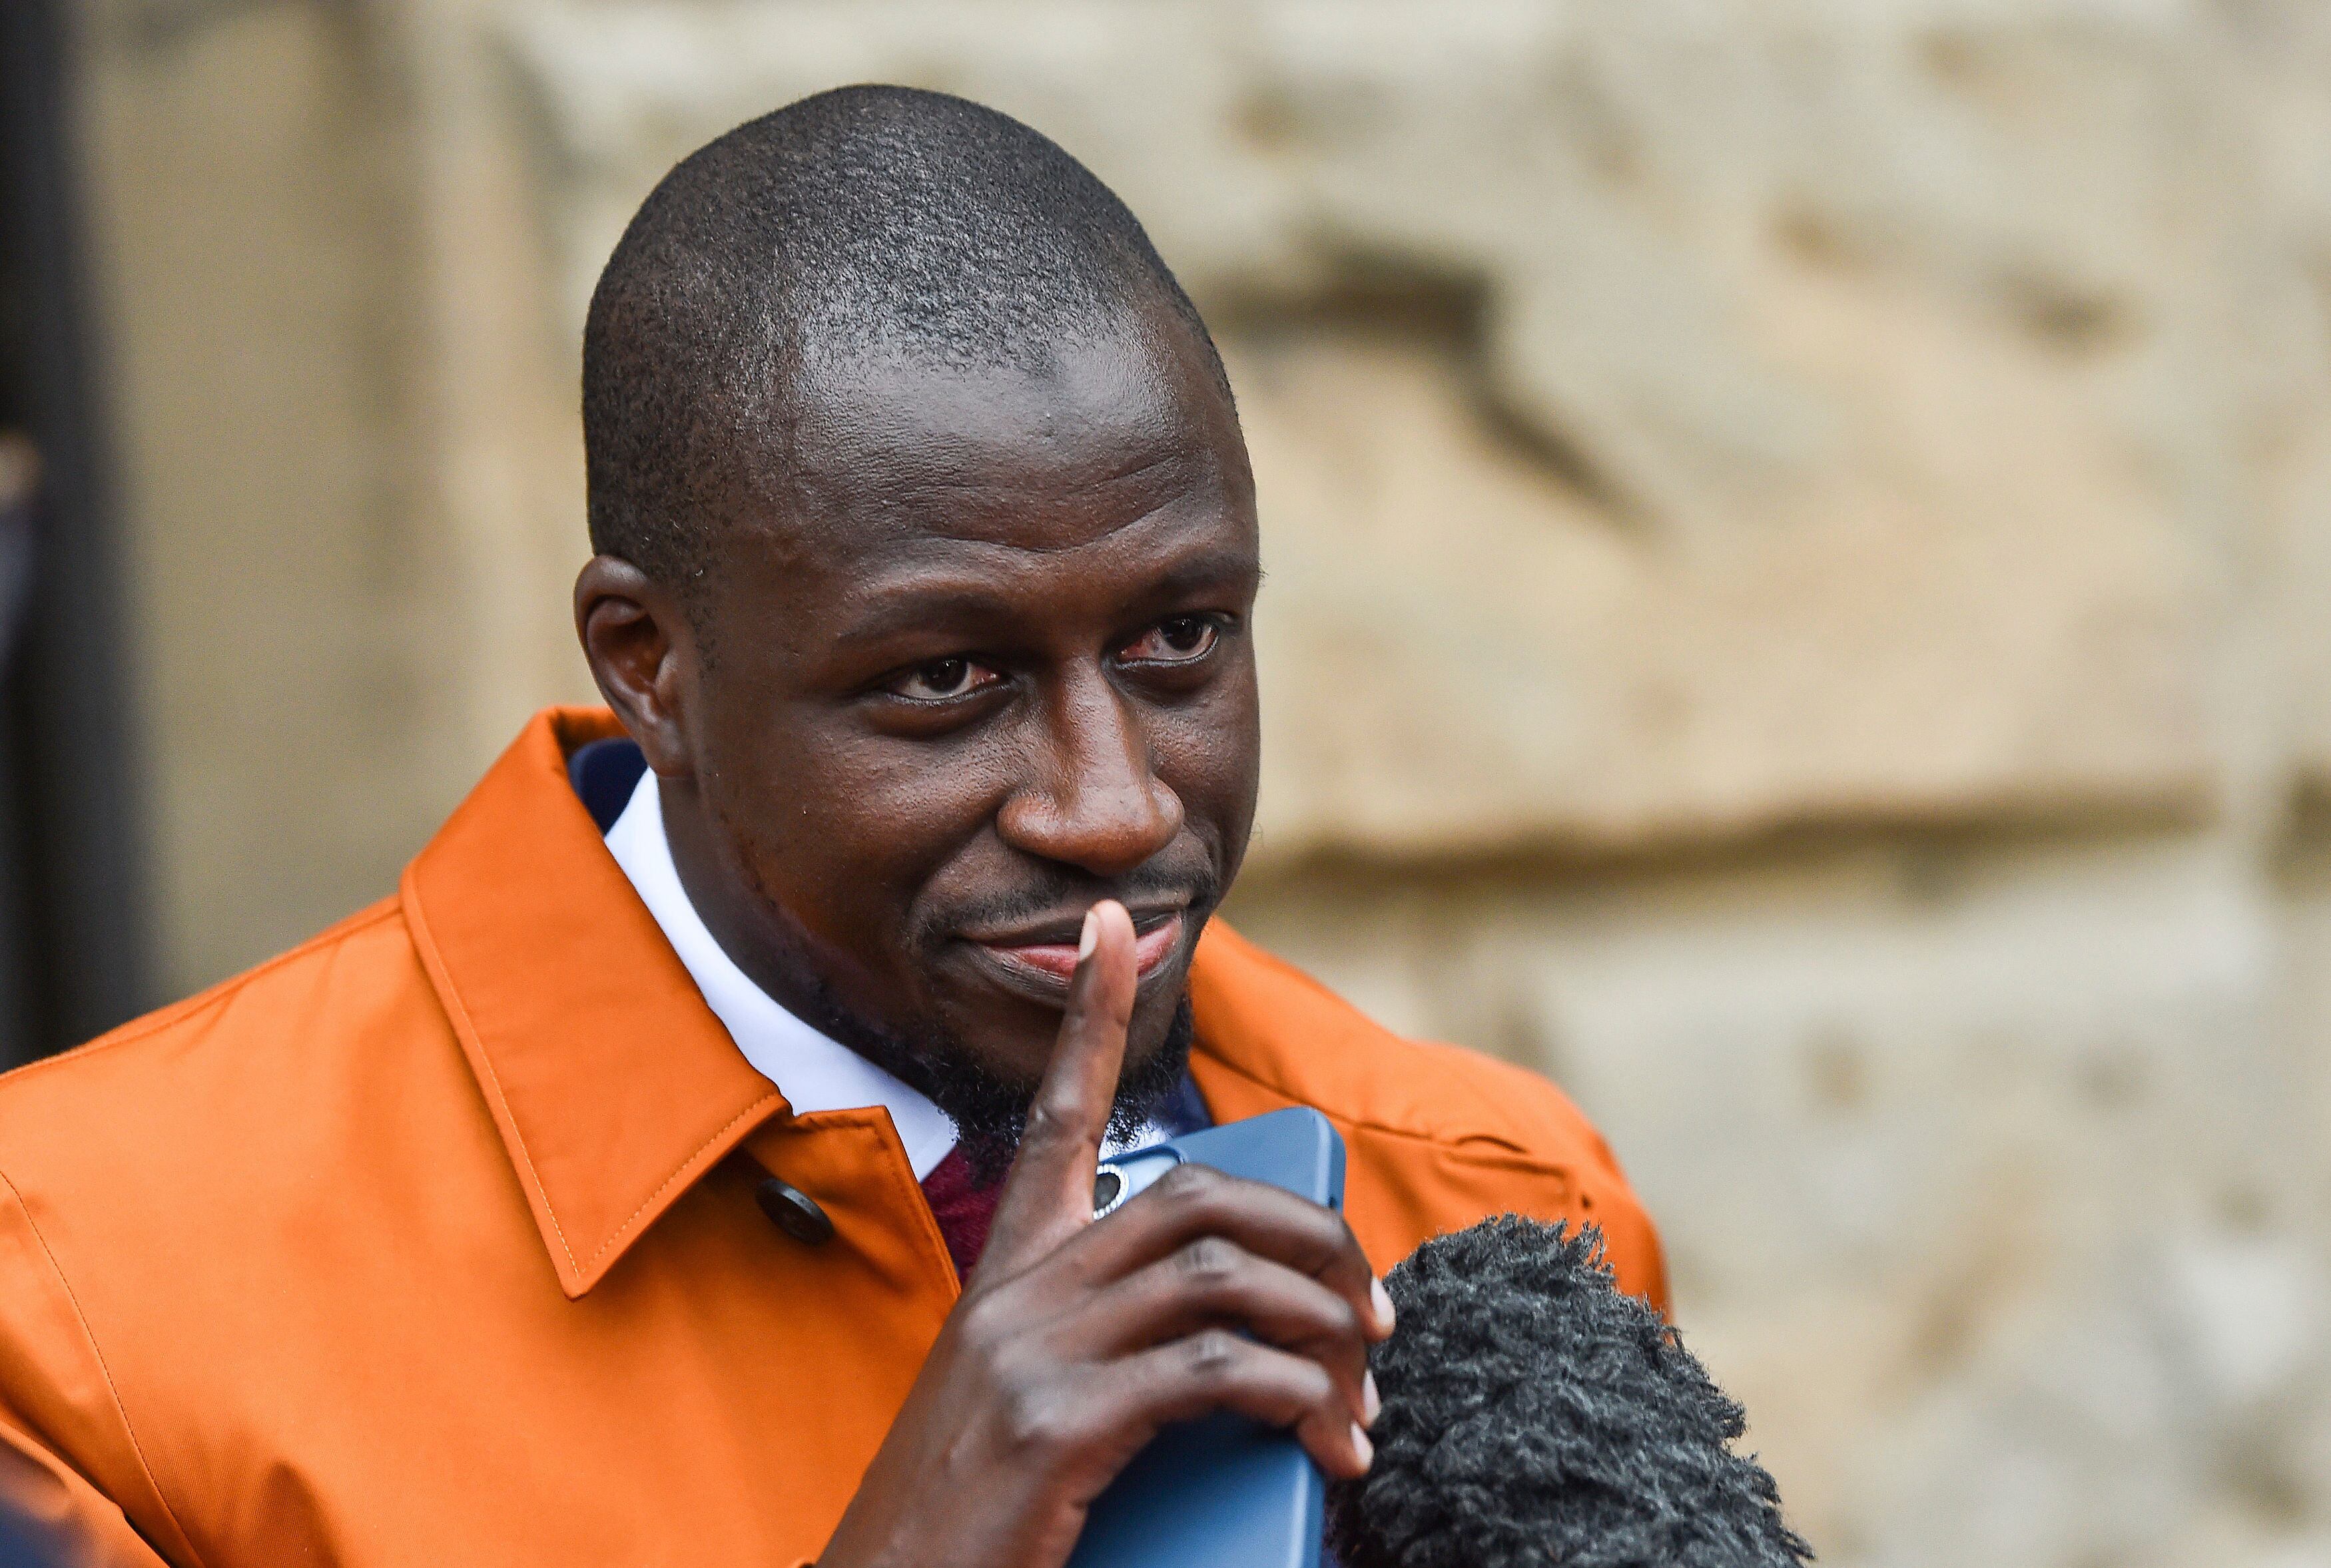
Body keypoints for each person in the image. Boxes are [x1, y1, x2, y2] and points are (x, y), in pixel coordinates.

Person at [0, 87, 1665, 1567]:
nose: (1115, 805)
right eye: (944, 677)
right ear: (650, 667)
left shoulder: (1490, 1187)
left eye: (1179, 637)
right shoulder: (73, 1303)